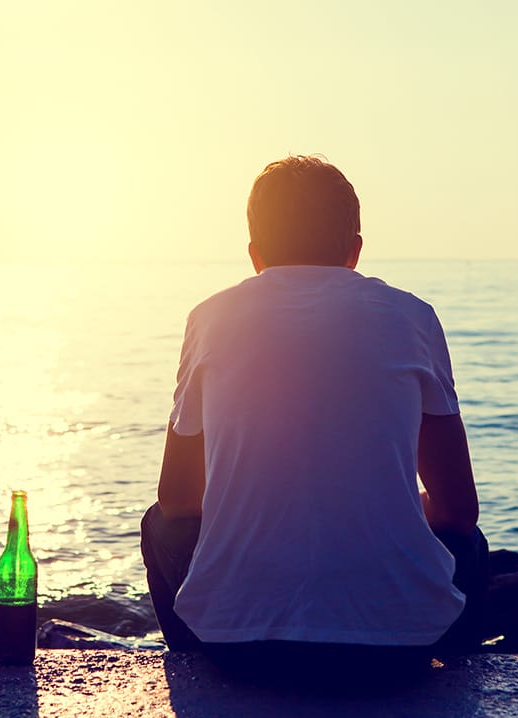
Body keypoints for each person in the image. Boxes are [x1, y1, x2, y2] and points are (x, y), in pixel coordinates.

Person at [141, 155, 487, 676]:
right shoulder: (412, 317)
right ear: (355, 251)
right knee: (470, 545)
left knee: (159, 526)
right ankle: (459, 677)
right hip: (397, 656)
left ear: (255, 256)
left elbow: (178, 499)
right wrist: (392, 505)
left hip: (240, 653)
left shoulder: (209, 318)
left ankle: (194, 673)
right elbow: (460, 512)